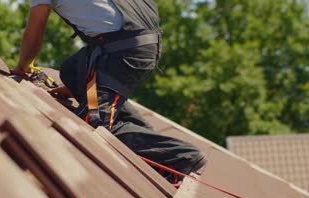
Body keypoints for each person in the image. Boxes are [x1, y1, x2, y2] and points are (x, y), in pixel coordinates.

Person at [12, 0, 206, 182]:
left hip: (122, 53)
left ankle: (180, 157)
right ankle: (144, 137)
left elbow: (35, 31)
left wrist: (24, 66)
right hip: (132, 44)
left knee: (95, 123)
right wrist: (75, 87)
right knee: (72, 71)